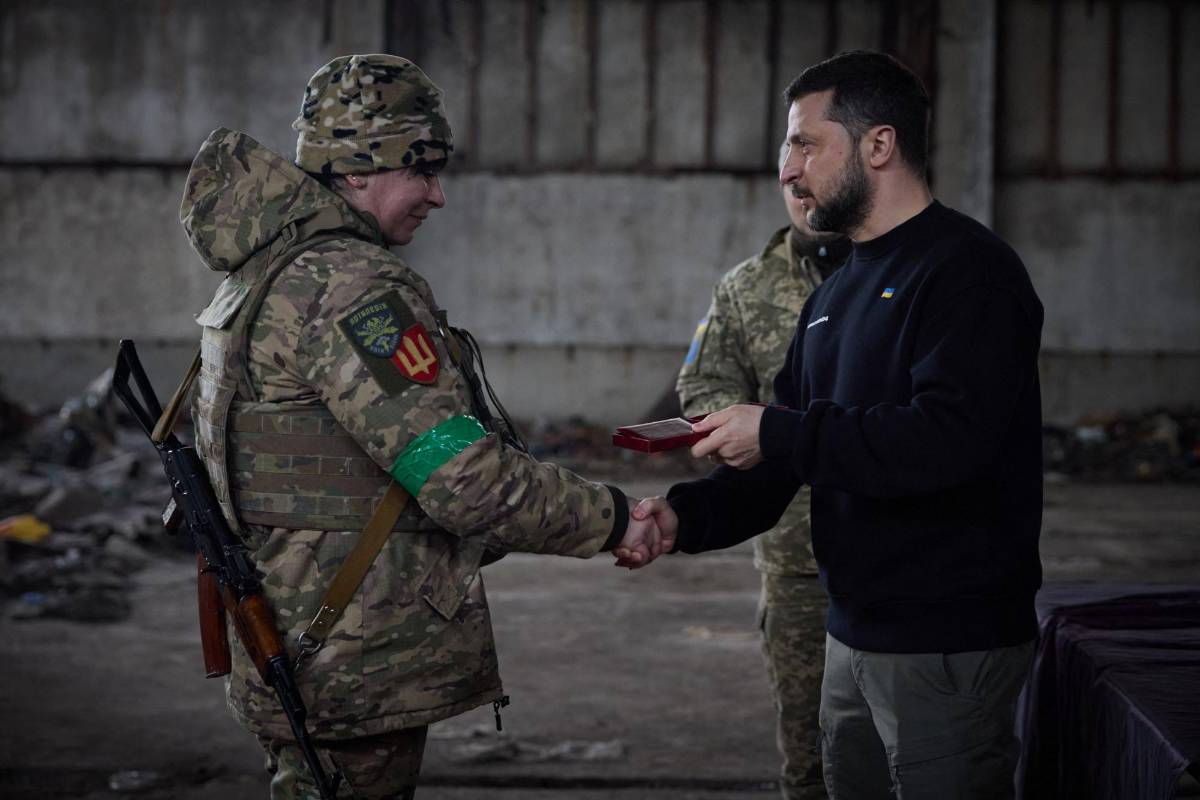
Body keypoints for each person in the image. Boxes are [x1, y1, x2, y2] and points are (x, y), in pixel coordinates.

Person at [180, 54, 664, 799]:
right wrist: (614, 518)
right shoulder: (350, 287)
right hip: (349, 653)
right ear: (359, 169)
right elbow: (463, 477)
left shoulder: (264, 274)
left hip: (297, 630)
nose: (437, 195)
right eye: (422, 168)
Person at [627, 50, 1044, 799]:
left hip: (944, 640)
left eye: (805, 143)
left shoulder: (968, 272)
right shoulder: (837, 292)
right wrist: (683, 518)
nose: (787, 169)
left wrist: (776, 433)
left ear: (878, 145)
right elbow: (784, 452)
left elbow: (945, 442)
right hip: (850, 632)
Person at [675, 142, 849, 799]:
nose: (801, 195)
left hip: (895, 543)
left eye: (810, 181)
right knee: (809, 751)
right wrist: (742, 428)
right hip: (793, 551)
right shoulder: (747, 287)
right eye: (789, 186)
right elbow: (703, 384)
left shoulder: (892, 274)